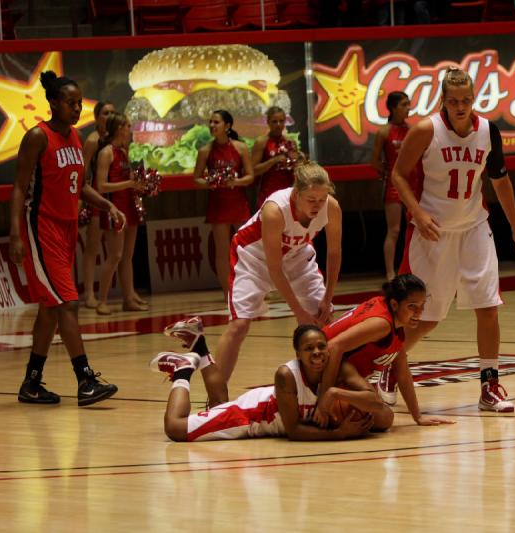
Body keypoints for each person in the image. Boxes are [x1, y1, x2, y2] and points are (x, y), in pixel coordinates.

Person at [389, 67, 515, 413]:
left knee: (487, 306)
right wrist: (418, 214)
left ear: (474, 99)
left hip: (474, 227)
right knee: (427, 317)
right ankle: (386, 364)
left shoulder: (487, 131)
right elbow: (398, 174)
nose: (460, 107)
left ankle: (490, 384)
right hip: (433, 231)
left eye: (466, 100)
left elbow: (500, 181)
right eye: (453, 101)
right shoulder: (427, 130)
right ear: (443, 100)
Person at [175, 161, 342, 407]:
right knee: (240, 325)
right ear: (296, 194)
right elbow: (274, 268)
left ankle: (326, 390)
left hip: (296, 256)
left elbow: (335, 253)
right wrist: (299, 312)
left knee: (326, 320)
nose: (318, 205)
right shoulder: (275, 209)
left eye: (322, 198)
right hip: (254, 258)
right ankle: (215, 398)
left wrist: (328, 299)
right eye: (311, 199)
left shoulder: (332, 207)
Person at [9, 71, 122, 406]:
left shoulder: (74, 136)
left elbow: (80, 184)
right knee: (67, 303)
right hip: (41, 228)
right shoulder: (37, 137)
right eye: (71, 103)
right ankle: (85, 379)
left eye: (78, 103)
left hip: (67, 228)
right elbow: (18, 188)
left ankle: (31, 383)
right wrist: (16, 234)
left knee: (50, 309)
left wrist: (106, 205)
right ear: (54, 103)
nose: (76, 108)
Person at [150, 325, 390, 442]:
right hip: (253, 415)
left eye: (321, 347)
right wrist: (340, 434)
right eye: (309, 349)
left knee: (218, 404)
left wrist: (335, 393)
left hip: (267, 409)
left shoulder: (340, 369)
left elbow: (377, 405)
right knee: (175, 429)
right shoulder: (286, 374)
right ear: (297, 354)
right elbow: (294, 431)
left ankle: (199, 347)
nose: (317, 353)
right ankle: (182, 370)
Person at [314, 274, 455, 427]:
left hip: (337, 370)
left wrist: (418, 416)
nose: (419, 312)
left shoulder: (393, 319)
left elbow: (403, 373)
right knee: (383, 417)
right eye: (412, 306)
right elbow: (332, 346)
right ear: (395, 304)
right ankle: (315, 407)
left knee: (380, 412)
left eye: (422, 305)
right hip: (318, 369)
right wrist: (323, 400)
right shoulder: (381, 324)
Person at [193, 110, 255, 295]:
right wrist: (211, 183)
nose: (212, 125)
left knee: (248, 248)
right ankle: (229, 291)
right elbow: (196, 178)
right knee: (222, 252)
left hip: (238, 202)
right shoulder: (205, 151)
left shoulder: (240, 147)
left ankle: (253, 288)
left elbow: (250, 176)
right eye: (210, 122)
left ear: (227, 126)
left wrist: (234, 182)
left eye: (216, 122)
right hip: (218, 205)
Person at [93, 112, 147, 315]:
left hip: (129, 207)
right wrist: (130, 183)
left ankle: (128, 298)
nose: (130, 129)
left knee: (127, 257)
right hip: (114, 209)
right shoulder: (106, 152)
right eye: (128, 126)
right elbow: (101, 185)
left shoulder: (124, 151)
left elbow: (129, 179)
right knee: (114, 255)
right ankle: (102, 301)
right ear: (118, 128)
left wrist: (140, 186)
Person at [81, 100, 120, 309]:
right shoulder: (93, 140)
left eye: (112, 113)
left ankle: (122, 293)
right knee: (93, 247)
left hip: (114, 199)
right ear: (96, 118)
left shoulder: (117, 140)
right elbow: (83, 170)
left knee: (115, 250)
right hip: (95, 197)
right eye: (105, 113)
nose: (109, 117)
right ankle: (89, 293)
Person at [371, 91, 412, 281]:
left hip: (412, 184)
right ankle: (390, 272)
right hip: (393, 186)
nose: (407, 108)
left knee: (416, 227)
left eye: (408, 104)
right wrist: (386, 173)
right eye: (404, 105)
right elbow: (374, 161)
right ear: (393, 108)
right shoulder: (384, 132)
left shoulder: (412, 130)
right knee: (394, 230)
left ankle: (411, 268)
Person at [251, 106, 299, 208]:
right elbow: (253, 170)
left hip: (288, 192)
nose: (278, 125)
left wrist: (297, 162)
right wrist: (274, 160)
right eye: (274, 121)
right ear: (268, 122)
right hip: (268, 194)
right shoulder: (261, 142)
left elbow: (298, 169)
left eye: (281, 121)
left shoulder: (291, 142)